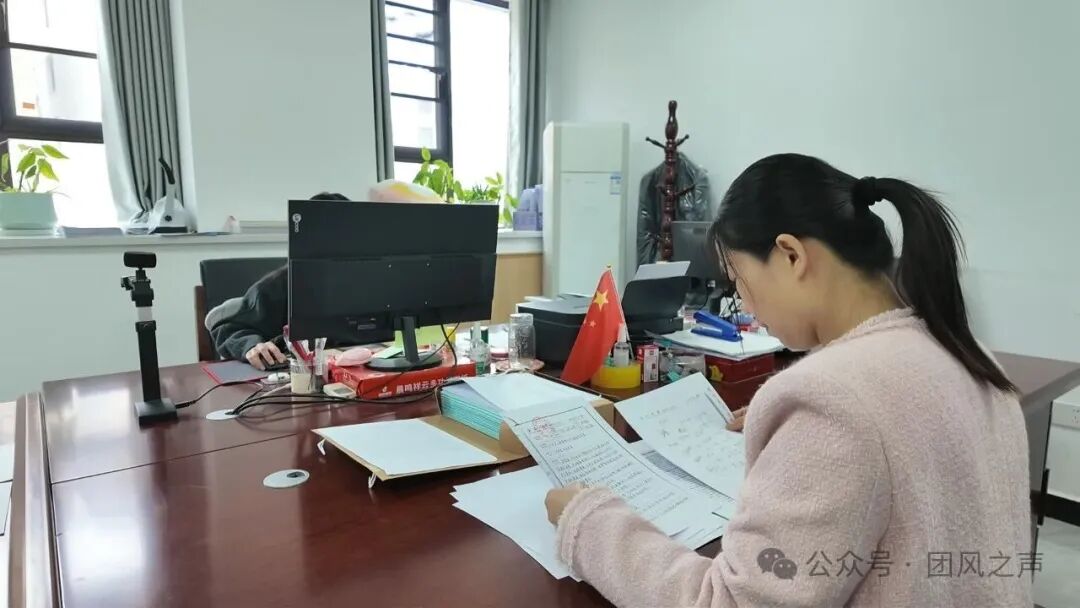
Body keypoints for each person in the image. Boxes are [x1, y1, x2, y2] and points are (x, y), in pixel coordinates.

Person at [544, 154, 1031, 606]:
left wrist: (588, 521)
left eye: (738, 280)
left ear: (791, 255)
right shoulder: (968, 354)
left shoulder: (833, 397)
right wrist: (795, 433)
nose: (745, 304)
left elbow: (730, 601)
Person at [210, 192, 349, 369]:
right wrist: (253, 345)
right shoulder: (276, 286)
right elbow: (229, 330)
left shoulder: (366, 282)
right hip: (300, 375)